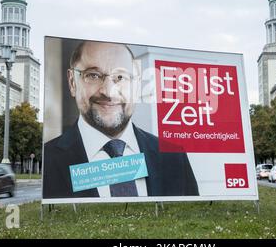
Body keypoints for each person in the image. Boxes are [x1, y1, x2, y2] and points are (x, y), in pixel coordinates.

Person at [43, 41, 199, 198]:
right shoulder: (49, 159)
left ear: (137, 85)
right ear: (72, 82)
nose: (109, 92)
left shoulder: (175, 158)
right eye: (93, 75)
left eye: (120, 77)